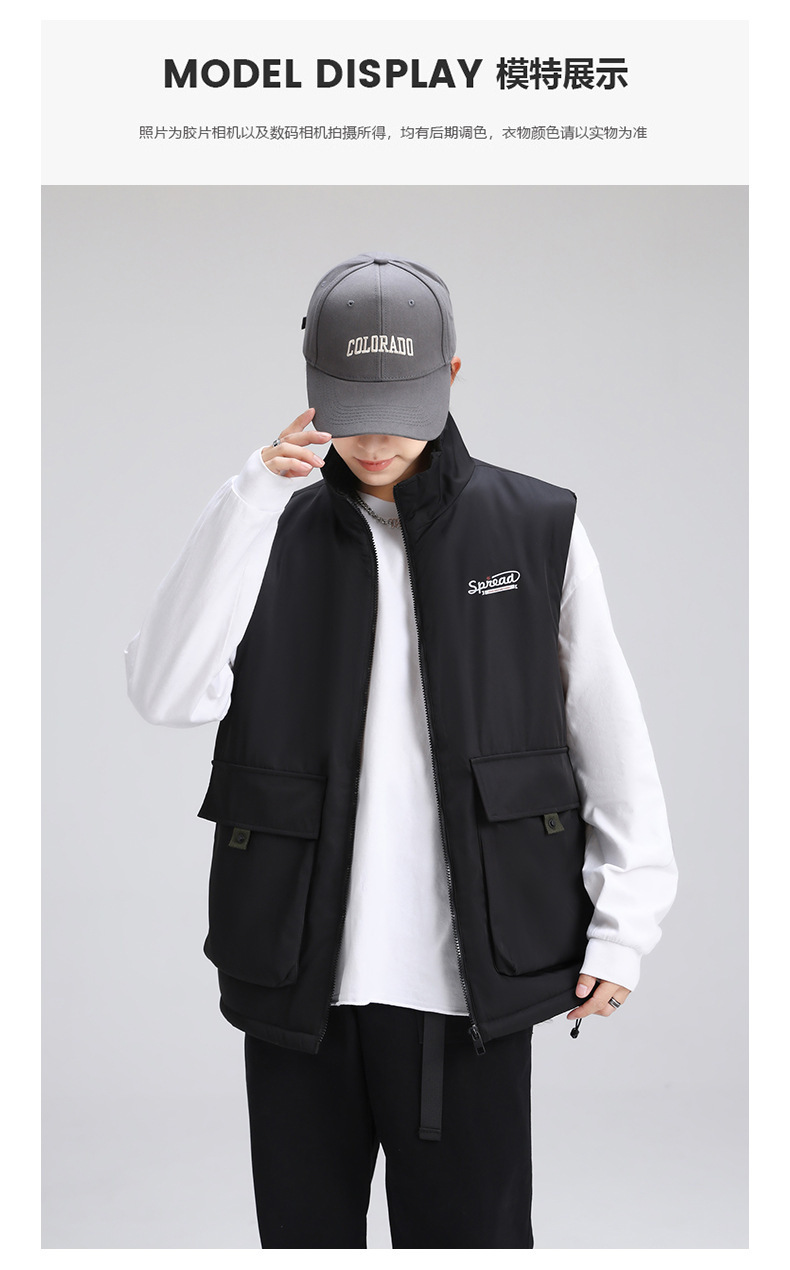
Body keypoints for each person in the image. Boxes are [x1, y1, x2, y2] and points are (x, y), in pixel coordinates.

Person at [125, 253, 678, 1250]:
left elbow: (608, 732)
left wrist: (624, 925)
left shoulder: (535, 525)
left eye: (401, 409)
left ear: (452, 376)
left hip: (471, 979)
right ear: (311, 387)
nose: (375, 438)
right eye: (350, 408)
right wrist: (248, 497)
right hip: (299, 972)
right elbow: (164, 692)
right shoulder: (265, 527)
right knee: (305, 1242)